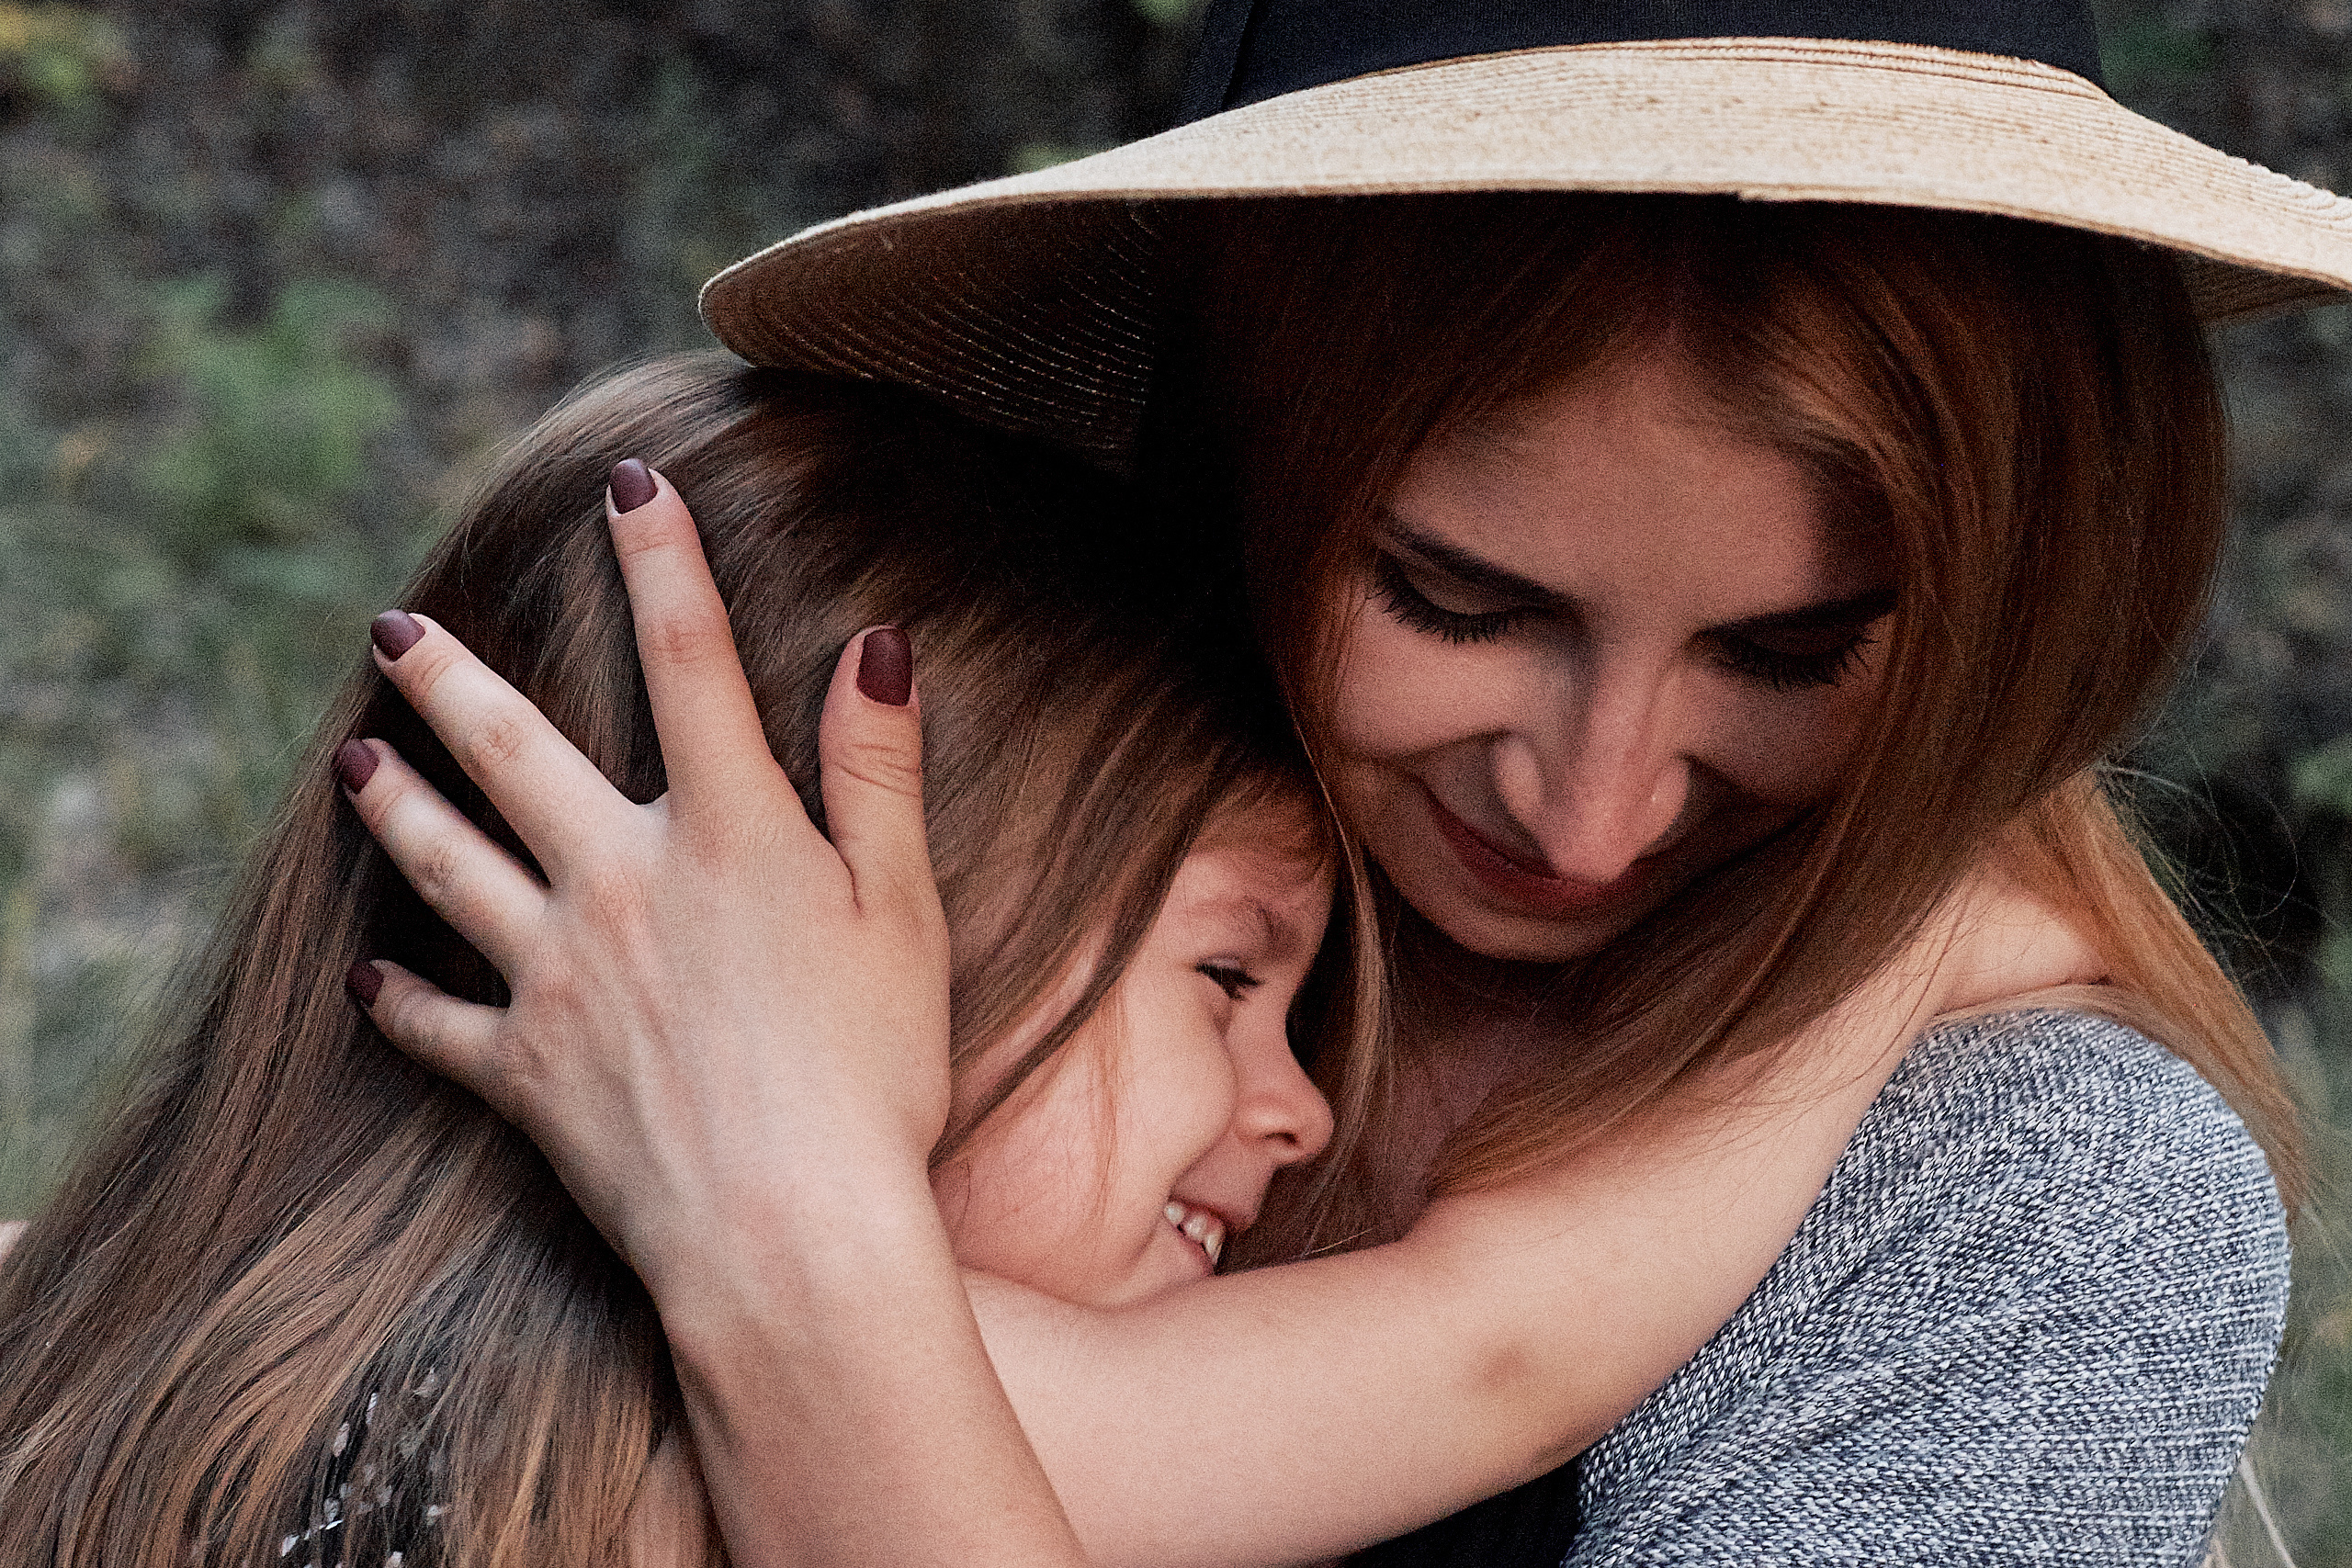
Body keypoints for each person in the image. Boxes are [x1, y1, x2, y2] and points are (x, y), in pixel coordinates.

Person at [337, 15, 2326, 1567]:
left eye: (1789, 653)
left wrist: (786, 1222)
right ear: (1243, 458)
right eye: (1452, 598)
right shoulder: (918, 856)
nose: (1591, 812)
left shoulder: (2028, 1190)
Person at [0, 355, 1372, 1566]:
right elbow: (1503, 1344)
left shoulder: (91, 1332)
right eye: (1229, 981)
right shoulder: (879, 1438)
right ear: (820, 960)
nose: (1300, 1112)